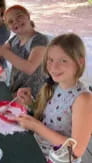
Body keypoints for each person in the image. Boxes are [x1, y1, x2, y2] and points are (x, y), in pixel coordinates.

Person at [16, 33, 92, 162]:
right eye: (50, 60)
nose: (54, 67)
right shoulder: (55, 85)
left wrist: (36, 126)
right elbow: (49, 119)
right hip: (37, 147)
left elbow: (76, 150)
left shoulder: (83, 99)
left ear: (80, 62)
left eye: (63, 60)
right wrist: (30, 104)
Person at [0, 5, 48, 96]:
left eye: (19, 16)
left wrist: (4, 52)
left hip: (32, 95)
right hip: (16, 88)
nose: (16, 22)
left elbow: (29, 68)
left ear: (28, 16)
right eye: (11, 22)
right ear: (9, 27)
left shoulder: (40, 40)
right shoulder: (15, 39)